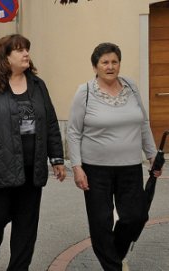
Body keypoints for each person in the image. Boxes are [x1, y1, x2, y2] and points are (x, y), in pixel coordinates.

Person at [0, 34, 66, 271]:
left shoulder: (38, 85)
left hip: (31, 169)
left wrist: (56, 158)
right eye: (19, 50)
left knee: (26, 225)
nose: (26, 54)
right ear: (4, 57)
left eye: (27, 49)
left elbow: (50, 122)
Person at [67, 42, 162, 271]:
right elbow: (73, 131)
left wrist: (152, 155)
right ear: (95, 66)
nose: (110, 67)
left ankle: (116, 255)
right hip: (95, 169)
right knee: (101, 222)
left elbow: (143, 123)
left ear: (119, 64)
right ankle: (113, 267)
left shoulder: (131, 86)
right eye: (105, 62)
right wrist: (77, 166)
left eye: (114, 62)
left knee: (135, 217)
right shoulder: (85, 92)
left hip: (130, 167)